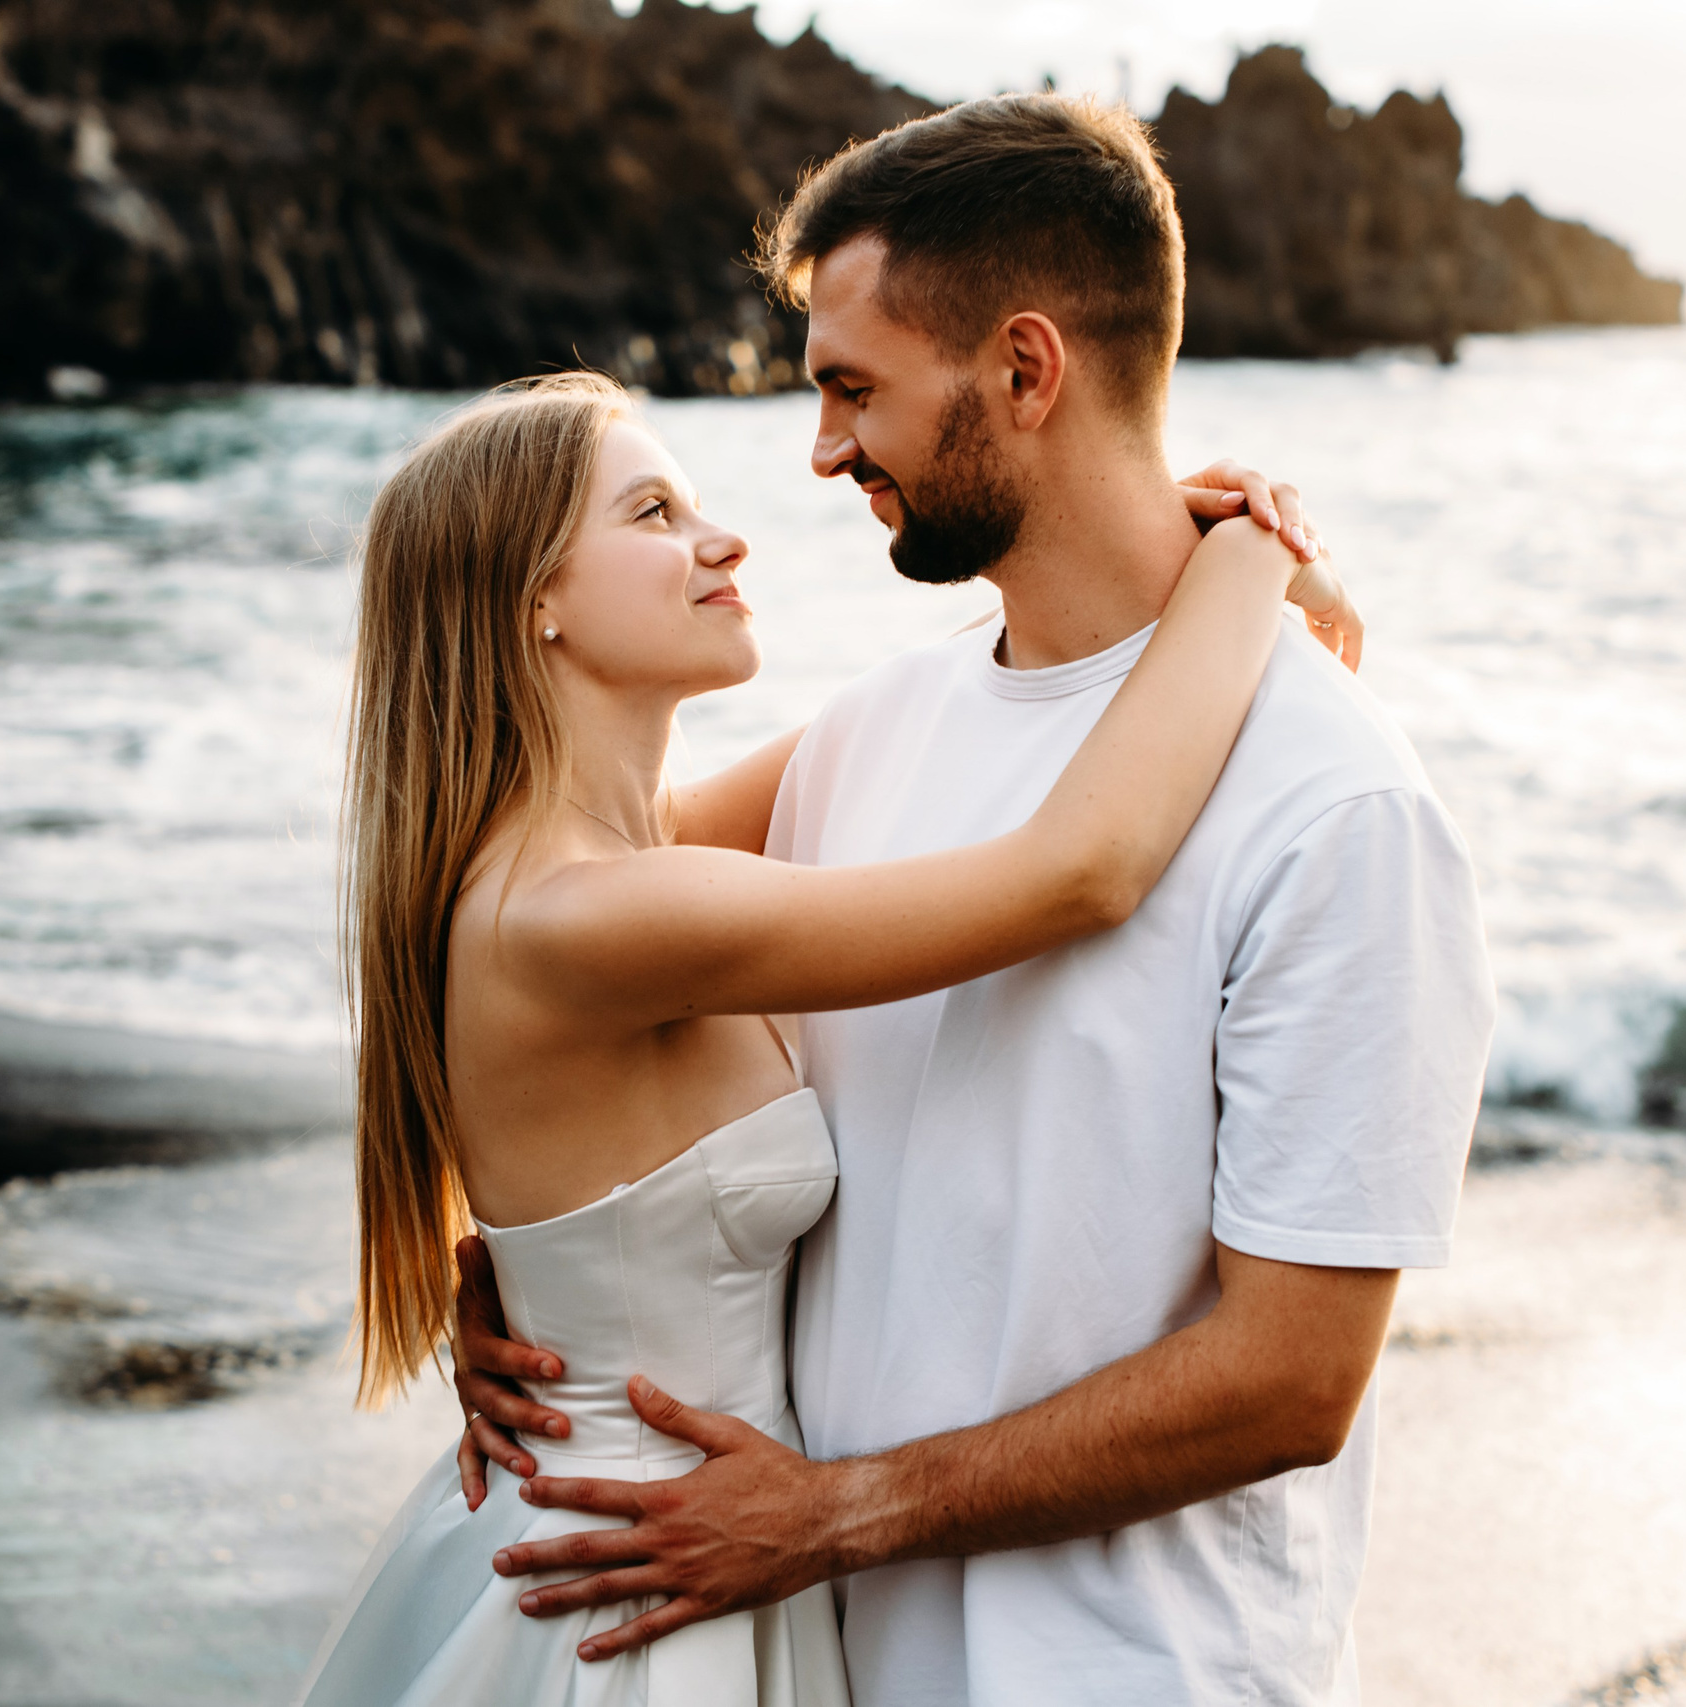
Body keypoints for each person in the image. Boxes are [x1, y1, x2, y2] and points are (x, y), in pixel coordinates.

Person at [455, 96, 1497, 1707]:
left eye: (852, 388)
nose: (821, 451)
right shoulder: (872, 734)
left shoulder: (1336, 806)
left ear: (1023, 372)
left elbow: (1291, 1382)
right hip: (820, 1658)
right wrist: (546, 1274)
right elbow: (518, 945)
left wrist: (835, 1515)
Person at [295, 365, 1350, 1706]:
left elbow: (977, 710)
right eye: (655, 514)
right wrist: (1255, 556)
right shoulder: (595, 913)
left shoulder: (633, 856)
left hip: (690, 1536)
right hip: (649, 1583)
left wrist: (1151, 547)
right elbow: (1082, 868)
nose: (723, 539)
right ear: (531, 601)